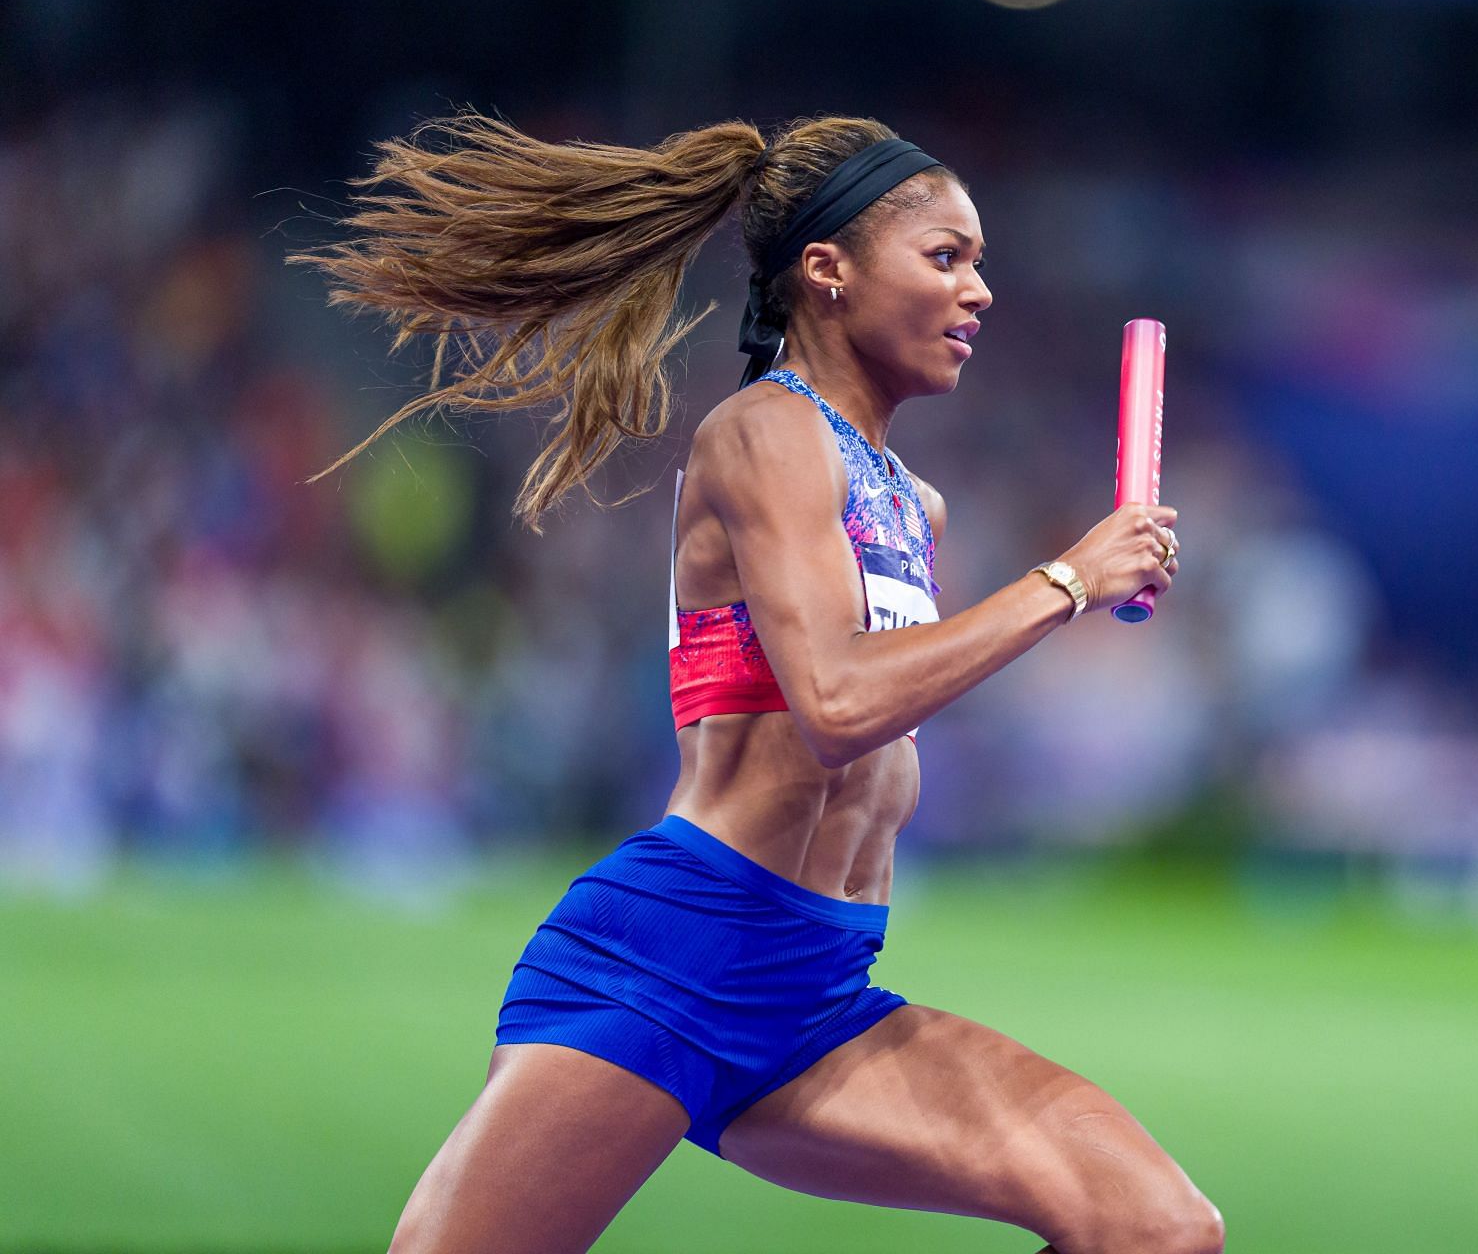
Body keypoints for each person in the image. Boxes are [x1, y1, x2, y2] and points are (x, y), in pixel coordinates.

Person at [298, 112, 1215, 1254]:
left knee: (1155, 1225)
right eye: (946, 257)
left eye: (979, 261)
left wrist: (1063, 587)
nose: (980, 291)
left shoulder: (913, 502)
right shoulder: (764, 435)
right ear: (826, 271)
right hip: (673, 958)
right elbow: (835, 706)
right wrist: (1070, 577)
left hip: (817, 986)